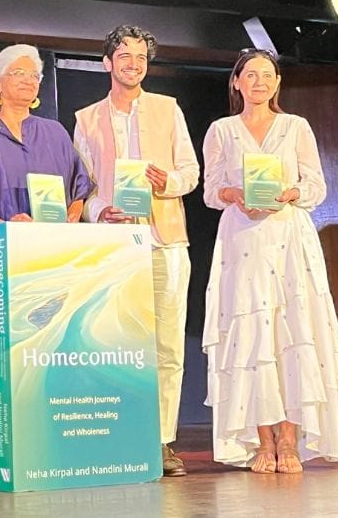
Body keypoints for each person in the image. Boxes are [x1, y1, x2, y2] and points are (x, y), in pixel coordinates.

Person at [201, 48, 338, 474]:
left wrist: (289, 194)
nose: (259, 82)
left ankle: (289, 440)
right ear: (236, 82)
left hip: (287, 237)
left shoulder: (295, 127)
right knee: (252, 336)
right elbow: (211, 189)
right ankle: (262, 441)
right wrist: (235, 195)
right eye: (250, 75)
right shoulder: (222, 130)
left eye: (267, 75)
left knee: (292, 332)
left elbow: (316, 185)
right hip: (242, 239)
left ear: (278, 83)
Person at [73, 25, 200, 477]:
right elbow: (81, 188)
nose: (133, 63)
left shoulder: (168, 109)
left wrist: (170, 182)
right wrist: (99, 211)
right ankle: (119, 436)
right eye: (124, 56)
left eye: (141, 57)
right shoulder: (86, 117)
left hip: (165, 240)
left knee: (167, 346)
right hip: (115, 244)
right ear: (108, 63)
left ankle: (162, 439)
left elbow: (191, 171)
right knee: (116, 345)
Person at [0, 43, 94, 331]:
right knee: (8, 347)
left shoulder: (55, 132)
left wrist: (71, 218)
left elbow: (78, 186)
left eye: (34, 75)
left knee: (52, 339)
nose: (28, 80)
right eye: (18, 72)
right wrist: (5, 230)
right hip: (0, 257)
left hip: (54, 256)